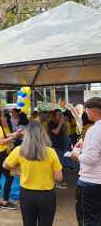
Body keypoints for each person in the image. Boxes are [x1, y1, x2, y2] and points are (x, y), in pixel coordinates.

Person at [3, 121, 63, 226]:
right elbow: (58, 177)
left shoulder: (19, 150)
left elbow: (5, 165)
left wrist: (21, 166)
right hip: (46, 195)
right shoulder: (51, 152)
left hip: (27, 194)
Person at [70, 97, 101, 226]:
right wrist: (86, 147)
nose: (85, 113)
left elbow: (91, 159)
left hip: (91, 182)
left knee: (87, 219)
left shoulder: (94, 130)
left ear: (93, 111)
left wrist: (76, 156)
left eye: (86, 110)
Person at [0, 111, 21, 210]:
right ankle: (6, 202)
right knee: (9, 177)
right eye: (2, 116)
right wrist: (14, 137)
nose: (3, 118)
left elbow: (4, 135)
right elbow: (1, 141)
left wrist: (15, 133)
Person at [47, 109, 68, 189]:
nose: (61, 117)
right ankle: (58, 182)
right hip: (55, 146)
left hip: (62, 145)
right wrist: (60, 124)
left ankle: (59, 181)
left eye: (61, 115)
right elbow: (56, 132)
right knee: (58, 165)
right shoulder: (51, 124)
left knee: (60, 164)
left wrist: (64, 125)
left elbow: (66, 135)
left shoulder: (60, 124)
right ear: (54, 116)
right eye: (59, 115)